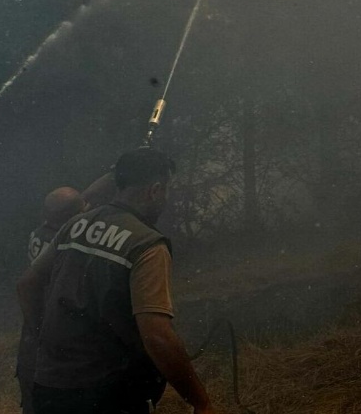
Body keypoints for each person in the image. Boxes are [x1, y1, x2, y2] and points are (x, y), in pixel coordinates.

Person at [18, 149, 217, 414]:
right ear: (155, 190)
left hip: (50, 388)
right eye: (165, 191)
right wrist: (200, 401)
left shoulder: (75, 225)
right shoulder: (146, 244)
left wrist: (42, 332)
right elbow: (157, 336)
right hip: (109, 394)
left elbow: (27, 285)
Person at [17, 173, 116, 414]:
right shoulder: (66, 243)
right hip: (53, 336)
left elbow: (85, 198)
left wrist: (115, 172)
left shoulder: (43, 230)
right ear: (72, 217)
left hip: (32, 343)